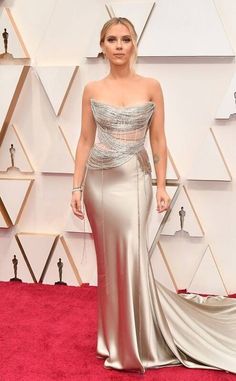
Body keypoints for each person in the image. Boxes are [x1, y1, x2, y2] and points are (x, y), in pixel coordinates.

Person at [71, 17, 236, 374]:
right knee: (107, 265)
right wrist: (76, 185)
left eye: (125, 39)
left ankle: (135, 343)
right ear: (101, 46)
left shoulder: (151, 86)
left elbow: (158, 140)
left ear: (134, 45)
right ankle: (112, 338)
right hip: (98, 184)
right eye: (111, 39)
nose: (118, 46)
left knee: (131, 257)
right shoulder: (91, 90)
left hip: (134, 180)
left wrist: (161, 186)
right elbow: (85, 140)